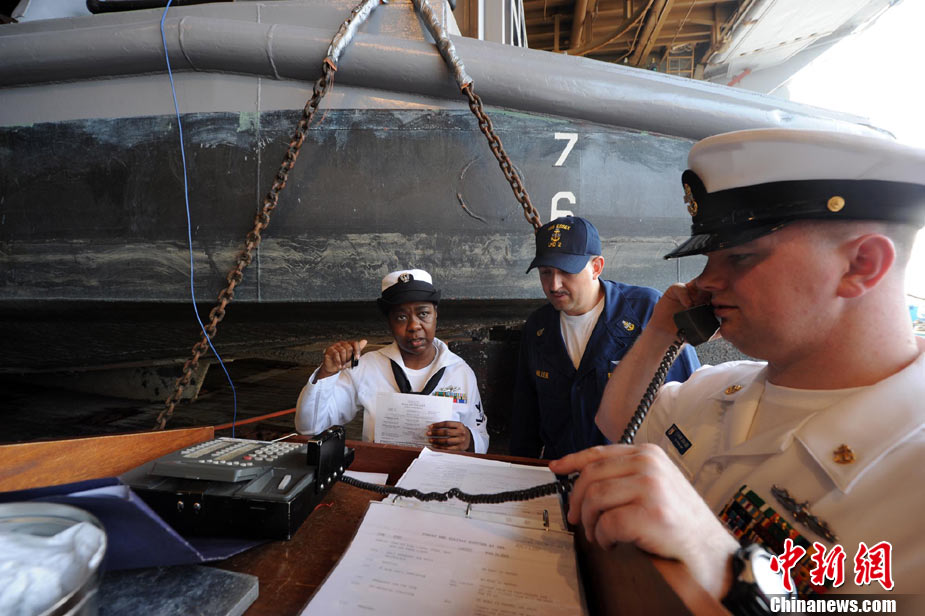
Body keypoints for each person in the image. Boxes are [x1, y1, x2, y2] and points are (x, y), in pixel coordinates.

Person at [550, 129, 925, 606]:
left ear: (862, 264)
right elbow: (617, 422)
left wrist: (722, 563)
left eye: (741, 256)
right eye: (708, 259)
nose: (706, 282)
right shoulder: (718, 389)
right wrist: (663, 329)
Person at [510, 215, 700, 459]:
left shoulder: (648, 311)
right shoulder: (538, 327)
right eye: (546, 272)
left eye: (566, 271)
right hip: (559, 473)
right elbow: (526, 418)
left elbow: (687, 405)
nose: (554, 285)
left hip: (631, 472)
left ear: (597, 267)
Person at [295, 269, 489, 453]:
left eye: (423, 314)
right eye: (401, 317)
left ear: (435, 313)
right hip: (382, 471)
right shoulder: (367, 367)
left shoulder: (460, 372)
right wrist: (327, 373)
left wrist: (469, 440)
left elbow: (481, 438)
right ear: (389, 322)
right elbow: (310, 428)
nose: (414, 326)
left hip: (442, 473)